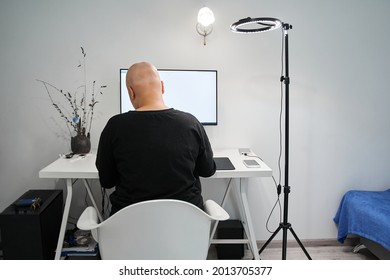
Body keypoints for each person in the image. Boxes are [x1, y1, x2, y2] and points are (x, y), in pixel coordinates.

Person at [96, 62, 216, 215]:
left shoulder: (114, 127)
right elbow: (207, 170)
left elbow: (107, 181)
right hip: (185, 229)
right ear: (162, 87)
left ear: (131, 92)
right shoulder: (191, 123)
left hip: (130, 230)